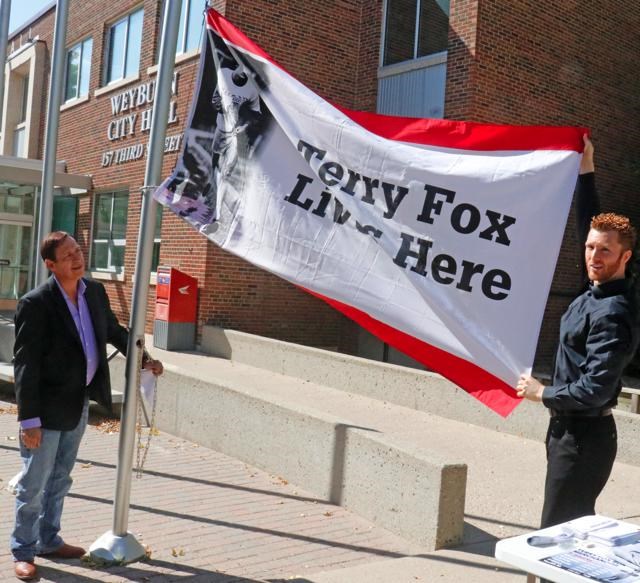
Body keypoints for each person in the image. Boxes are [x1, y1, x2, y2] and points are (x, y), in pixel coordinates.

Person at [10, 232, 163, 581]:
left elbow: (113, 331)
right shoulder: (36, 303)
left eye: (78, 250)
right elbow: (26, 365)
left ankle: (49, 540)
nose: (77, 258)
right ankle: (24, 549)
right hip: (44, 410)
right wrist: (28, 419)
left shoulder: (93, 291)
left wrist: (145, 360)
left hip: (77, 403)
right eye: (67, 256)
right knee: (34, 482)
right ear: (51, 265)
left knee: (61, 477)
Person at [517, 136, 640, 533]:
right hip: (567, 432)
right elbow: (588, 222)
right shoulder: (596, 287)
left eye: (604, 251)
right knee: (563, 531)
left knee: (556, 534)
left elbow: (596, 388)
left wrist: (543, 393)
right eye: (590, 248)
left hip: (585, 439)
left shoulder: (614, 312)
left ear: (625, 257)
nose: (592, 256)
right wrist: (586, 168)